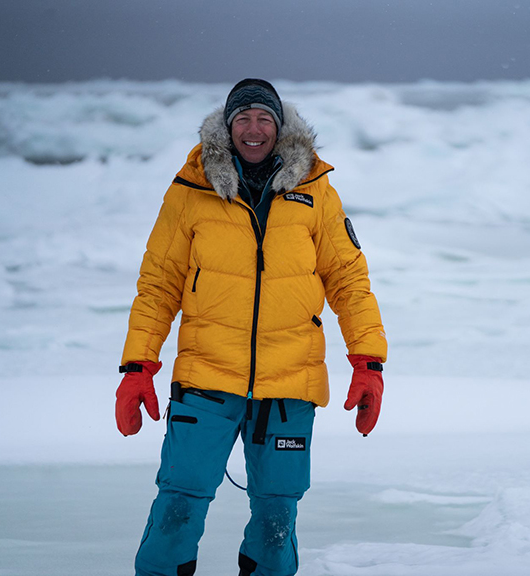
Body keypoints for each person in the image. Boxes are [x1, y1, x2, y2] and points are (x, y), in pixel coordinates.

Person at [114, 79, 388, 576]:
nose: (254, 128)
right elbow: (158, 285)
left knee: (277, 517)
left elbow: (349, 280)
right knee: (178, 506)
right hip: (205, 380)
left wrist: (368, 362)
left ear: (280, 128)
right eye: (243, 118)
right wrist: (137, 367)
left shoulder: (315, 191)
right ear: (227, 126)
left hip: (290, 383)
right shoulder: (191, 191)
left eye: (264, 118)